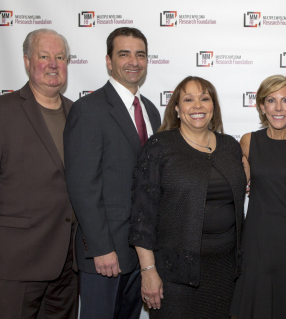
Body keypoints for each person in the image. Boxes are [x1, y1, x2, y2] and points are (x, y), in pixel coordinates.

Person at [129, 76, 247, 318]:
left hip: (224, 269)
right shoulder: (159, 146)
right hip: (175, 273)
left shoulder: (229, 147)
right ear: (176, 108)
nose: (197, 106)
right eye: (188, 99)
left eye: (205, 99)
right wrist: (148, 270)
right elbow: (143, 215)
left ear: (213, 107)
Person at [64, 27, 161, 319]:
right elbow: (83, 186)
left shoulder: (152, 111)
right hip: (106, 255)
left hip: (141, 252)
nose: (134, 61)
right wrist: (100, 248)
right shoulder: (88, 110)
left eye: (140, 54)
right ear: (108, 61)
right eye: (124, 54)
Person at [0, 29, 78, 319]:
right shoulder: (3, 112)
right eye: (44, 56)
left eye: (60, 57)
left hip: (68, 266)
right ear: (27, 61)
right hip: (16, 262)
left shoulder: (78, 114)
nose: (54, 63)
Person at [230, 75, 286, 319]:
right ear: (261, 106)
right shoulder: (249, 142)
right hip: (257, 238)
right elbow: (237, 185)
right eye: (271, 100)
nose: (278, 108)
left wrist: (283, 191)